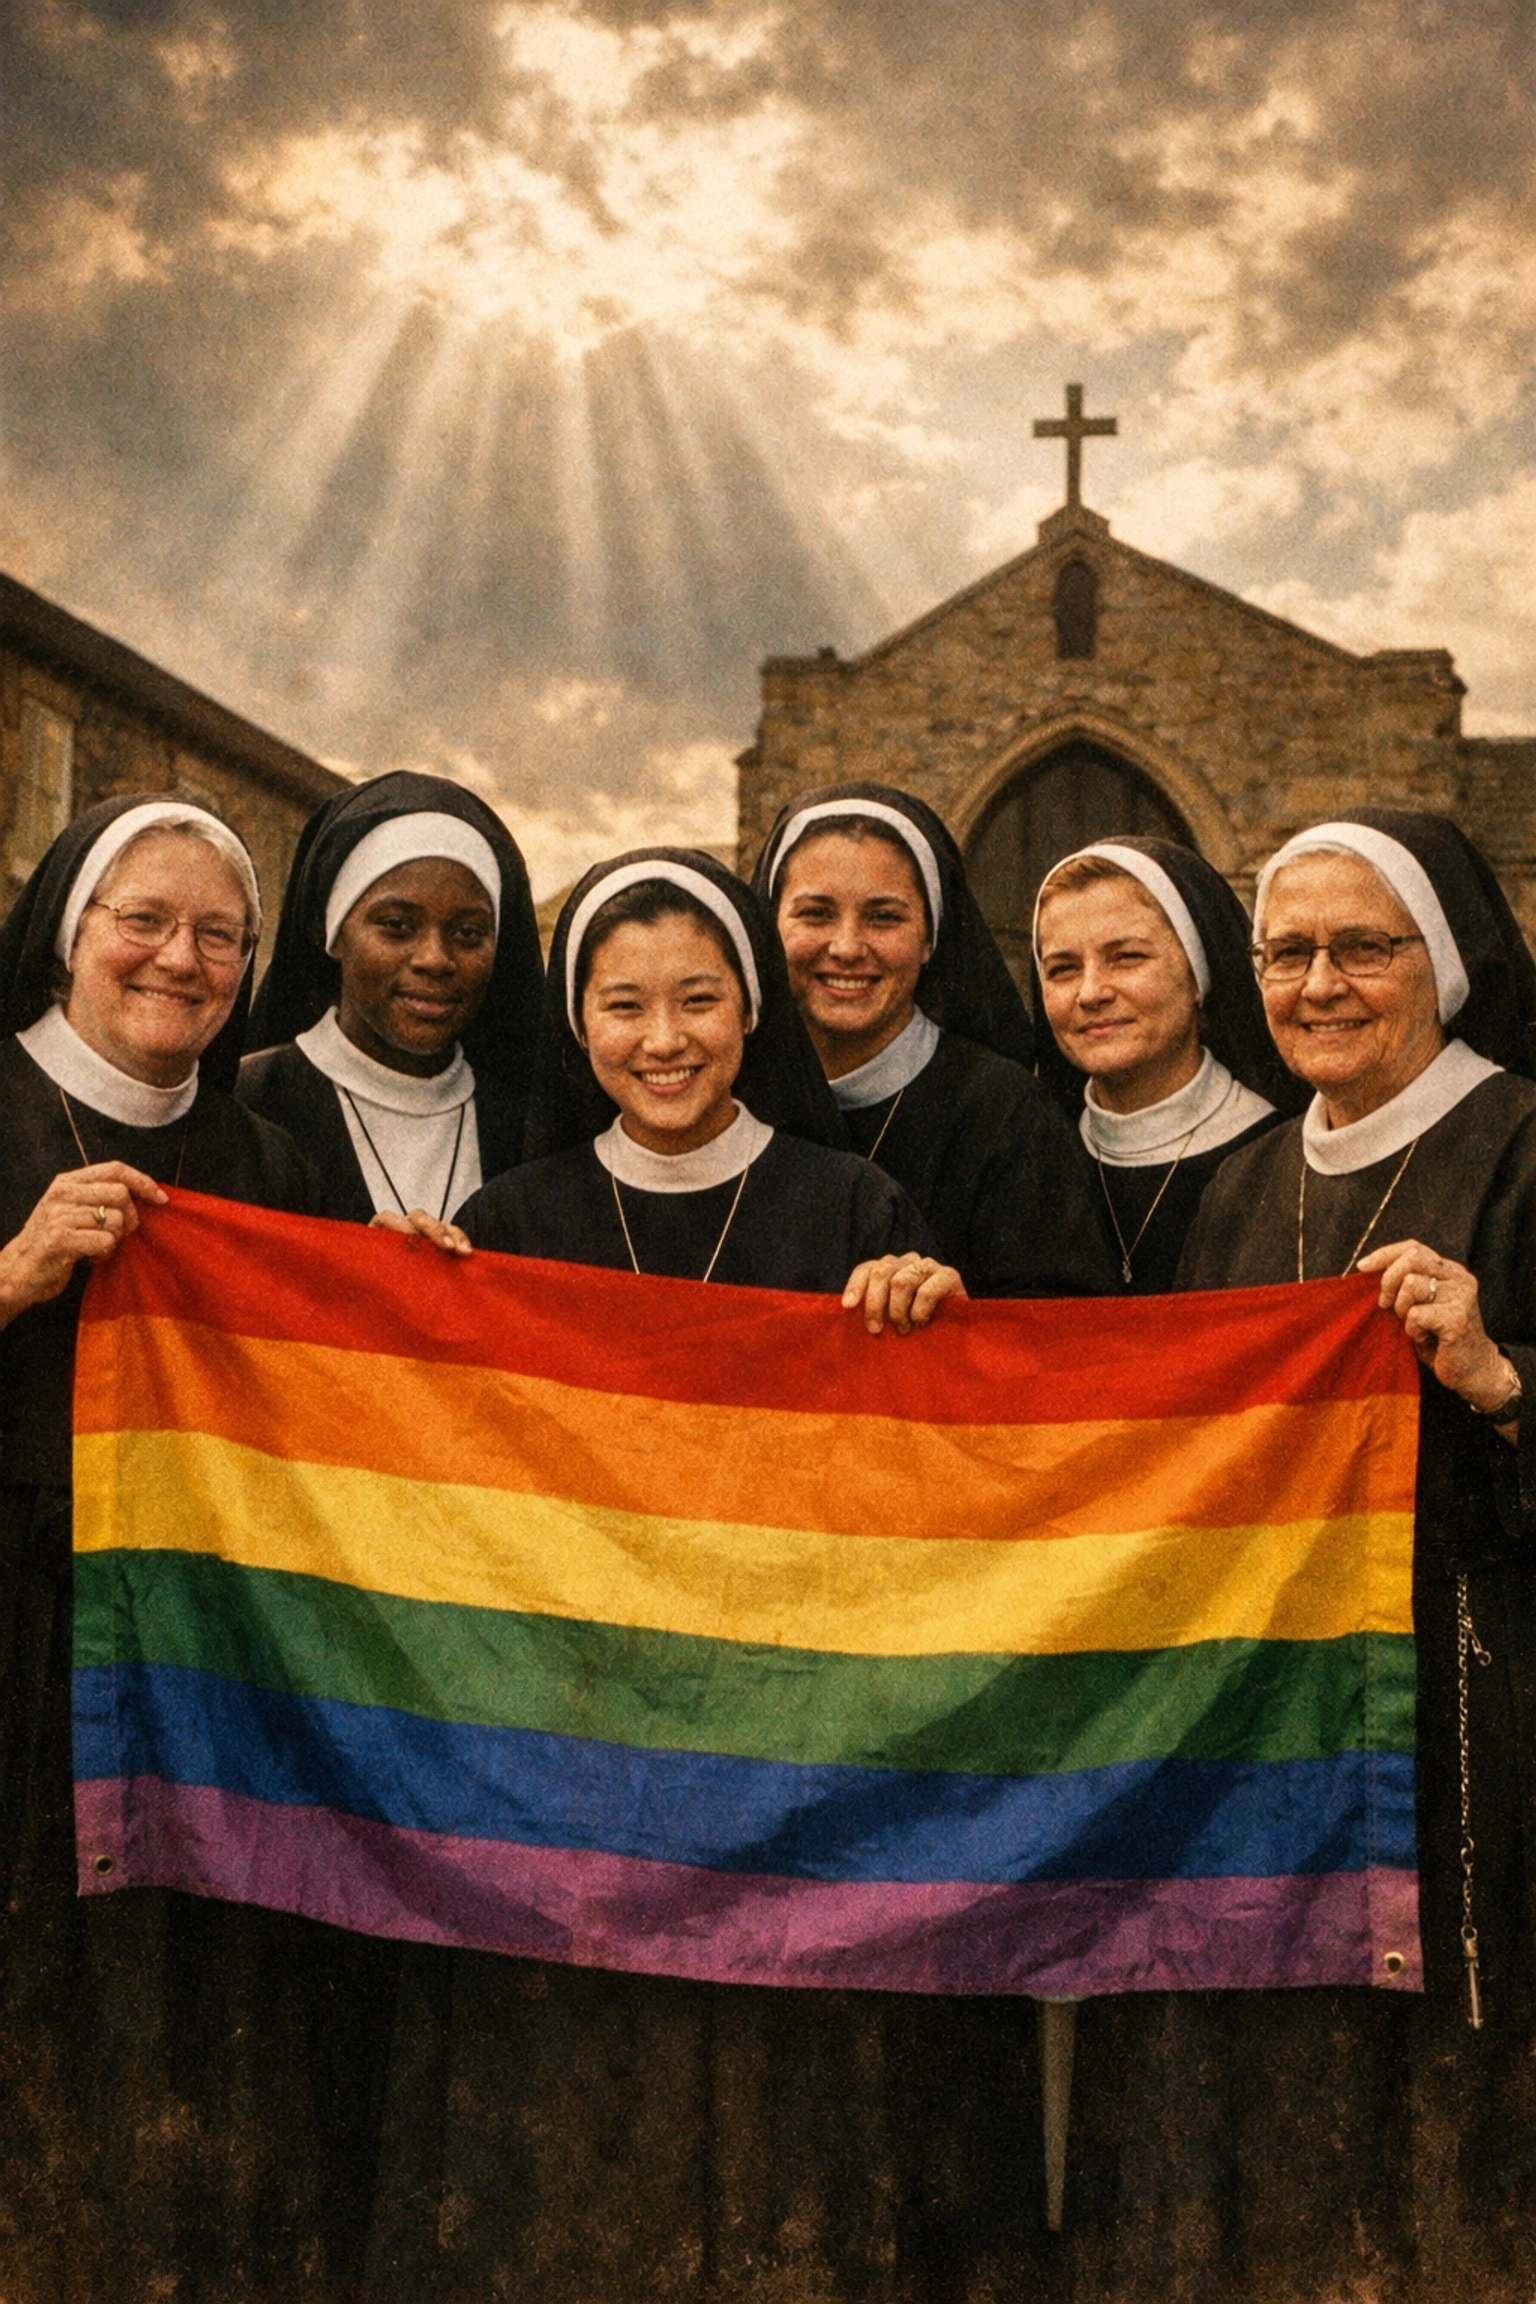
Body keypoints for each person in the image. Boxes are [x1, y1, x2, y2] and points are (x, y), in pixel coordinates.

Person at [365, 852, 967, 2302]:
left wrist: (939, 1319)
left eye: (698, 999)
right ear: (578, 1027)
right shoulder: (513, 1224)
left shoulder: (856, 1208)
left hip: (790, 1755)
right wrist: (397, 1310)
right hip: (573, 1761)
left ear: (751, 1012)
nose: (663, 1039)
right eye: (624, 1005)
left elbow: (928, 1483)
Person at [1058, 810, 1536, 2301]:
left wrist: (1500, 1374)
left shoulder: (1526, 1141)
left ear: (1443, 963)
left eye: (1360, 949)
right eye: (1286, 953)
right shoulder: (1245, 1183)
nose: (1319, 984)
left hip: (1472, 1712)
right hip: (1269, 1722)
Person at [0, 799, 340, 2301]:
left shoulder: (271, 1158)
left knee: (182, 2028)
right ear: (68, 931)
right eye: (143, 919)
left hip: (197, 1666)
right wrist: (14, 1272)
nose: (179, 958)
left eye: (219, 935)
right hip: (15, 1642)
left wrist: (414, 1294)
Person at [753, 780, 1114, 1297]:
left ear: (930, 938)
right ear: (768, 927)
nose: (847, 947)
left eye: (884, 918)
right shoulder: (730, 1099)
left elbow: (1062, 1324)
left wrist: (961, 1310)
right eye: (815, 913)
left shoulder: (1007, 1115)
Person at [239, 771, 544, 1222]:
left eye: (468, 933)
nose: (435, 959)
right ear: (333, 933)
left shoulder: (529, 1131)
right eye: (396, 925)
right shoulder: (243, 1104)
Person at [1033, 836, 1300, 1292]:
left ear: (1198, 976)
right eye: (1063, 969)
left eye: (1127, 958)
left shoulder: (1284, 1162)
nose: (1091, 992)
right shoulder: (1028, 1158)